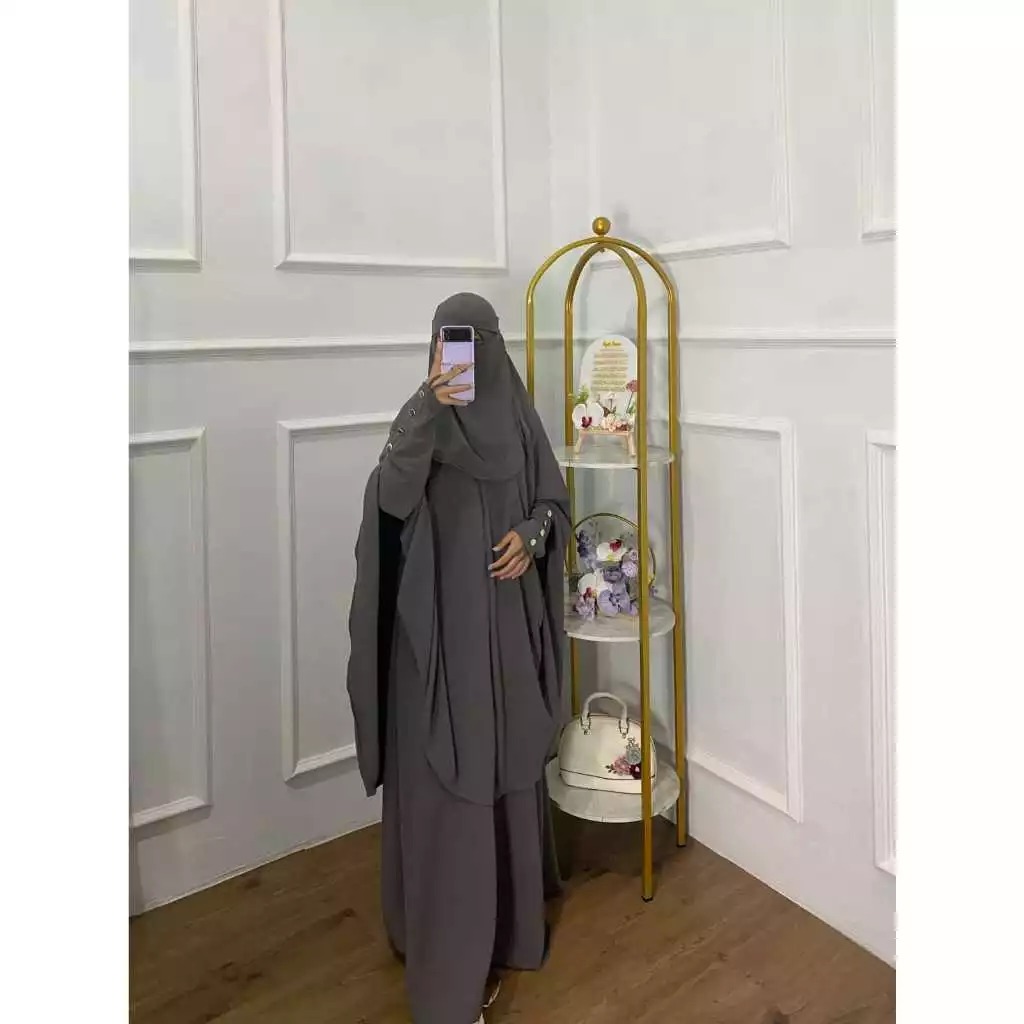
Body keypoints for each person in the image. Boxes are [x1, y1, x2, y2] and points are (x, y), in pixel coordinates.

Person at [346, 293, 571, 1024]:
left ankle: (510, 928)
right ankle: (448, 960)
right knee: (446, 781)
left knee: (505, 767)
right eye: (451, 341)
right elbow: (389, 501)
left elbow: (553, 504)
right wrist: (425, 406)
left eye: (475, 342)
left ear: (495, 349)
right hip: (437, 645)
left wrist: (531, 536)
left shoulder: (519, 421)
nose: (463, 356)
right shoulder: (424, 423)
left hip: (505, 634)